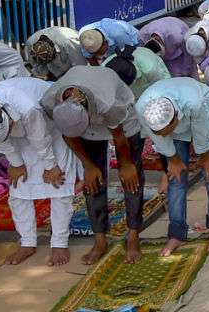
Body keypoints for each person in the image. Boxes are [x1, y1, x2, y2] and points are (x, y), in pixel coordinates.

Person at [0, 76, 81, 266]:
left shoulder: (29, 108)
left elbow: (40, 138)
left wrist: (50, 166)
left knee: (59, 185)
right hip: (12, 132)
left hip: (49, 123)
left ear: (10, 123)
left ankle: (59, 243)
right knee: (18, 191)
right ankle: (27, 242)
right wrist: (15, 163)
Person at [43, 64, 145, 264]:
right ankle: (100, 240)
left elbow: (119, 134)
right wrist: (88, 165)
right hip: (84, 125)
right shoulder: (50, 101)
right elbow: (68, 135)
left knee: (131, 179)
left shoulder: (108, 104)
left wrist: (126, 165)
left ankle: (133, 236)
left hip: (123, 123)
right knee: (93, 181)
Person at [136, 77, 209, 255]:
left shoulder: (194, 102)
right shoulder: (143, 108)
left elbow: (202, 131)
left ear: (175, 118)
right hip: (175, 130)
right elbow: (157, 136)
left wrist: (206, 155)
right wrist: (172, 159)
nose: (163, 134)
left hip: (208, 114)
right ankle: (176, 235)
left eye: (167, 130)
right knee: (176, 179)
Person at [78, 19, 142, 63]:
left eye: (99, 52)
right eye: (94, 53)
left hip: (133, 42)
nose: (97, 55)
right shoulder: (84, 37)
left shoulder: (118, 34)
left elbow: (128, 53)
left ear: (105, 43)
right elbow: (90, 58)